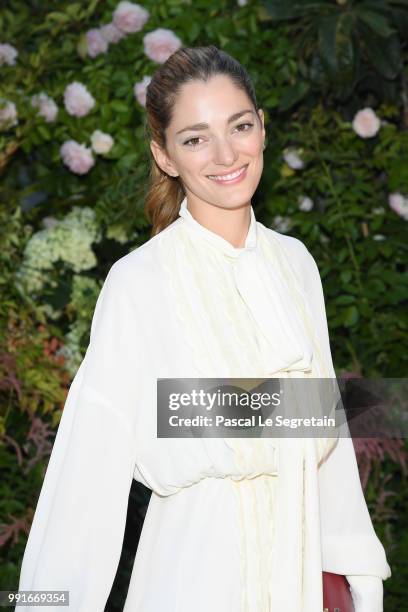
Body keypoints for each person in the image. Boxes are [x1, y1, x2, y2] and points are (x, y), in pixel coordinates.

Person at [17, 45, 391, 611]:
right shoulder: (138, 281)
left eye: (239, 126)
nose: (225, 154)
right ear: (165, 155)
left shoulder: (297, 265)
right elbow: (87, 478)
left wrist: (360, 575)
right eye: (194, 138)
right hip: (193, 579)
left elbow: (325, 440)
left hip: (301, 582)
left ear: (262, 129)